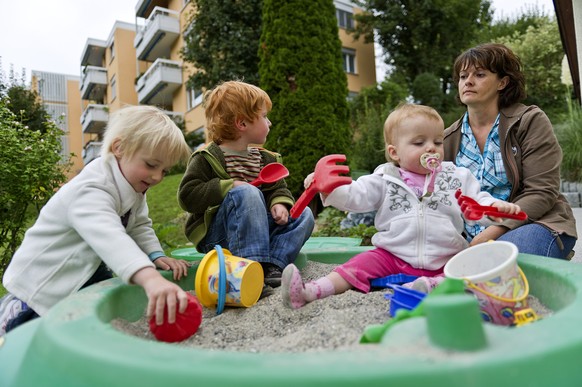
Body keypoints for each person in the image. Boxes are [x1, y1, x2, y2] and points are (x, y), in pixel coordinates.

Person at [281, 103, 522, 309]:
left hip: (444, 254)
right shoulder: (385, 178)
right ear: (394, 152)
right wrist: (328, 187)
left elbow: (477, 202)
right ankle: (310, 291)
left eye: (437, 141)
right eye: (419, 142)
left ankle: (426, 287)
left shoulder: (456, 176)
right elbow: (356, 195)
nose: (431, 148)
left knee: (462, 273)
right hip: (392, 254)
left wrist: (496, 209)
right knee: (356, 265)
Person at [0, 105, 193, 336]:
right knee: (26, 336)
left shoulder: (135, 187)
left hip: (85, 269)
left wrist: (156, 255)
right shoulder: (91, 188)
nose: (157, 177)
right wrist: (151, 278)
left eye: (164, 170)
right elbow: (110, 237)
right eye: (151, 165)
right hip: (42, 281)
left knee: (90, 313)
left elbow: (139, 225)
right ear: (119, 148)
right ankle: (9, 323)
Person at [444, 43, 577, 259]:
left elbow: (541, 192)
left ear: (502, 82)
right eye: (463, 76)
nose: (468, 81)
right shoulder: (447, 139)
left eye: (479, 74)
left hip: (532, 223)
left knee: (506, 255)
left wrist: (490, 234)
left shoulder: (529, 121)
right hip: (468, 236)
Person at [178, 81, 315, 288]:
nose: (269, 123)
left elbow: (278, 188)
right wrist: (228, 187)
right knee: (246, 192)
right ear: (242, 124)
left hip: (260, 233)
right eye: (264, 116)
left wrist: (279, 203)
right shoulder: (207, 157)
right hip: (221, 237)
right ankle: (249, 270)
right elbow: (188, 196)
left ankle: (272, 265)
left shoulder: (264, 159)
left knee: (303, 214)